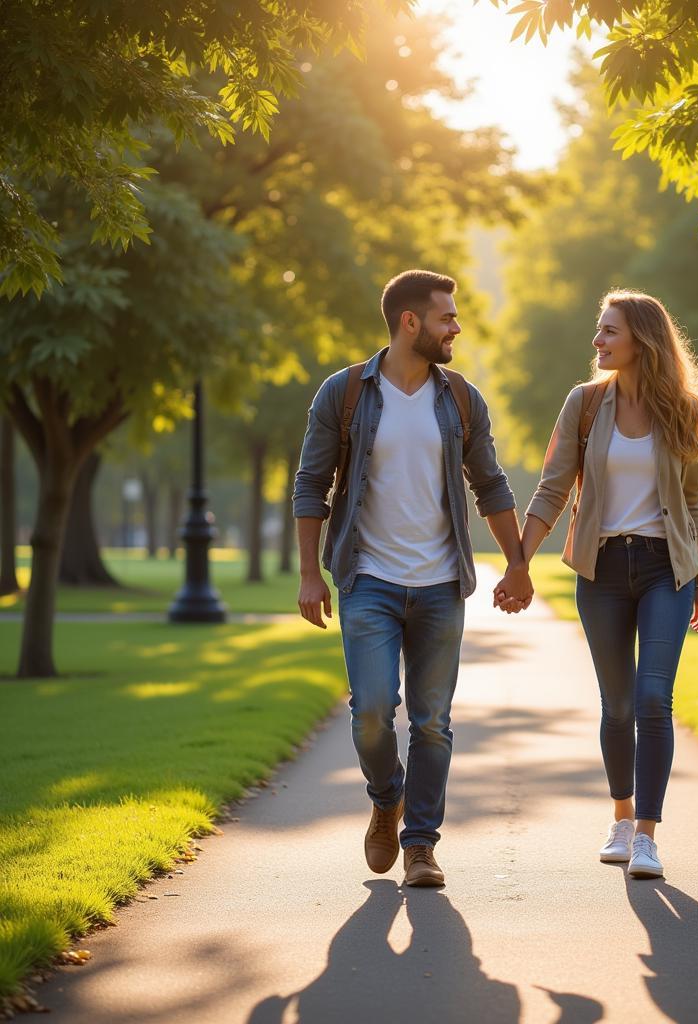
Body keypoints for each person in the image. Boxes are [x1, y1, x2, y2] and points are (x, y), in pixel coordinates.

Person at [293, 269, 532, 888]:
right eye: (447, 317)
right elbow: (310, 486)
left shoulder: (459, 397)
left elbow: (491, 484)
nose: (456, 327)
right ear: (410, 322)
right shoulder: (344, 393)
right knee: (371, 711)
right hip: (367, 577)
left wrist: (517, 562)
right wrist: (308, 575)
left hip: (440, 583)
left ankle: (421, 845)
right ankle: (385, 796)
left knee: (432, 722)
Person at [499, 289, 698, 879]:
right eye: (599, 330)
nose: (597, 341)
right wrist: (520, 562)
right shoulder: (585, 405)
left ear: (641, 339)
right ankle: (620, 818)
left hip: (663, 570)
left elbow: (693, 506)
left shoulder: (684, 409)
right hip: (600, 570)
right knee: (617, 706)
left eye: (608, 331)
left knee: (653, 698)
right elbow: (551, 487)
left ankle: (647, 834)